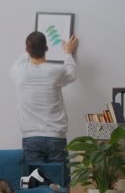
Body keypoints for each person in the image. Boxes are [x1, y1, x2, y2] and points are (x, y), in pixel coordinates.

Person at [10, 31, 79, 163]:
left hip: (30, 138)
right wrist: (68, 53)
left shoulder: (19, 72)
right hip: (56, 137)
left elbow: (19, 61)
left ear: (27, 50)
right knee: (59, 182)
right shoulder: (56, 71)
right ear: (46, 48)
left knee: (34, 182)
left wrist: (30, 48)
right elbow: (72, 74)